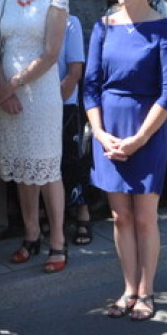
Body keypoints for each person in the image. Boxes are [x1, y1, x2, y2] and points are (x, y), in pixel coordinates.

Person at [86, 0, 167, 322]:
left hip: (147, 131)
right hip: (108, 132)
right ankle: (128, 289)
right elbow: (90, 87)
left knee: (144, 218)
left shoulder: (165, 29)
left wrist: (140, 138)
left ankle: (147, 291)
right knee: (120, 217)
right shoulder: (102, 27)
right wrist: (99, 133)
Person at [0, 0, 69, 272]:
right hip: (8, 95)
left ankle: (58, 241)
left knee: (47, 168)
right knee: (23, 168)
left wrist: (12, 85)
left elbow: (51, 54)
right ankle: (31, 234)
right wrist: (2, 89)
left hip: (40, 96)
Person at [58, 12, 92, 245]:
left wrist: (59, 97)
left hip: (65, 100)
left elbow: (75, 71)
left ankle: (82, 212)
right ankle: (49, 216)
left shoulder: (71, 21)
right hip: (35, 105)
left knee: (73, 158)